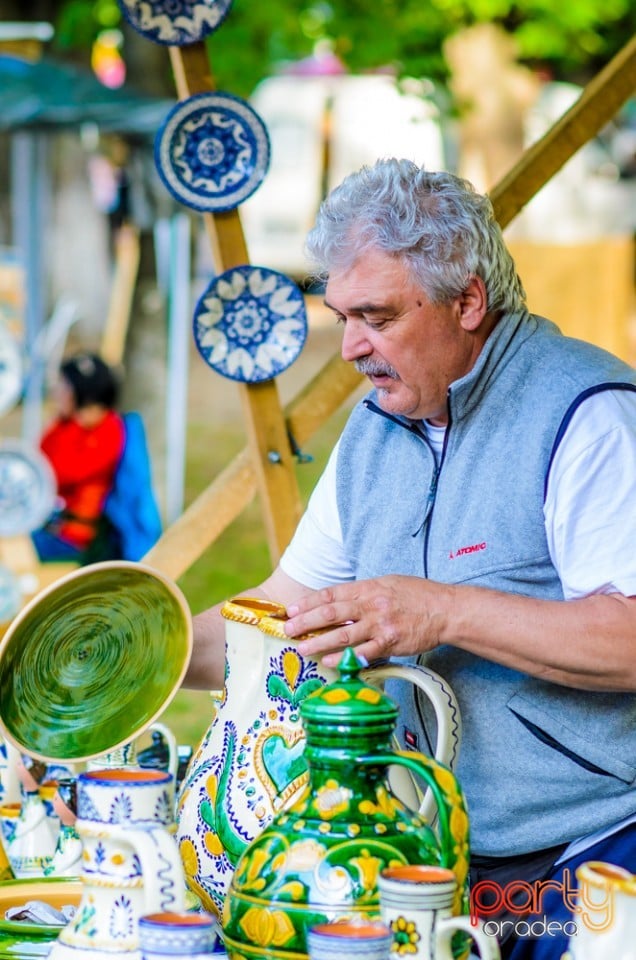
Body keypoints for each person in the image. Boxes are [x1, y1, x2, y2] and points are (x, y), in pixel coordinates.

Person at [187, 158, 636, 960]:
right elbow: (286, 614)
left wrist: (443, 609)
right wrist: (134, 651)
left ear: (468, 301)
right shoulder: (376, 425)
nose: (350, 346)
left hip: (586, 859)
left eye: (378, 316)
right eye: (341, 314)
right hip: (415, 858)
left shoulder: (589, 413)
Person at [31, 352, 125, 563]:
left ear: (83, 395)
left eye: (64, 387)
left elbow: (57, 473)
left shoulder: (109, 430)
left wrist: (73, 424)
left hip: (71, 536)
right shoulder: (64, 424)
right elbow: (38, 458)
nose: (56, 392)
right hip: (44, 525)